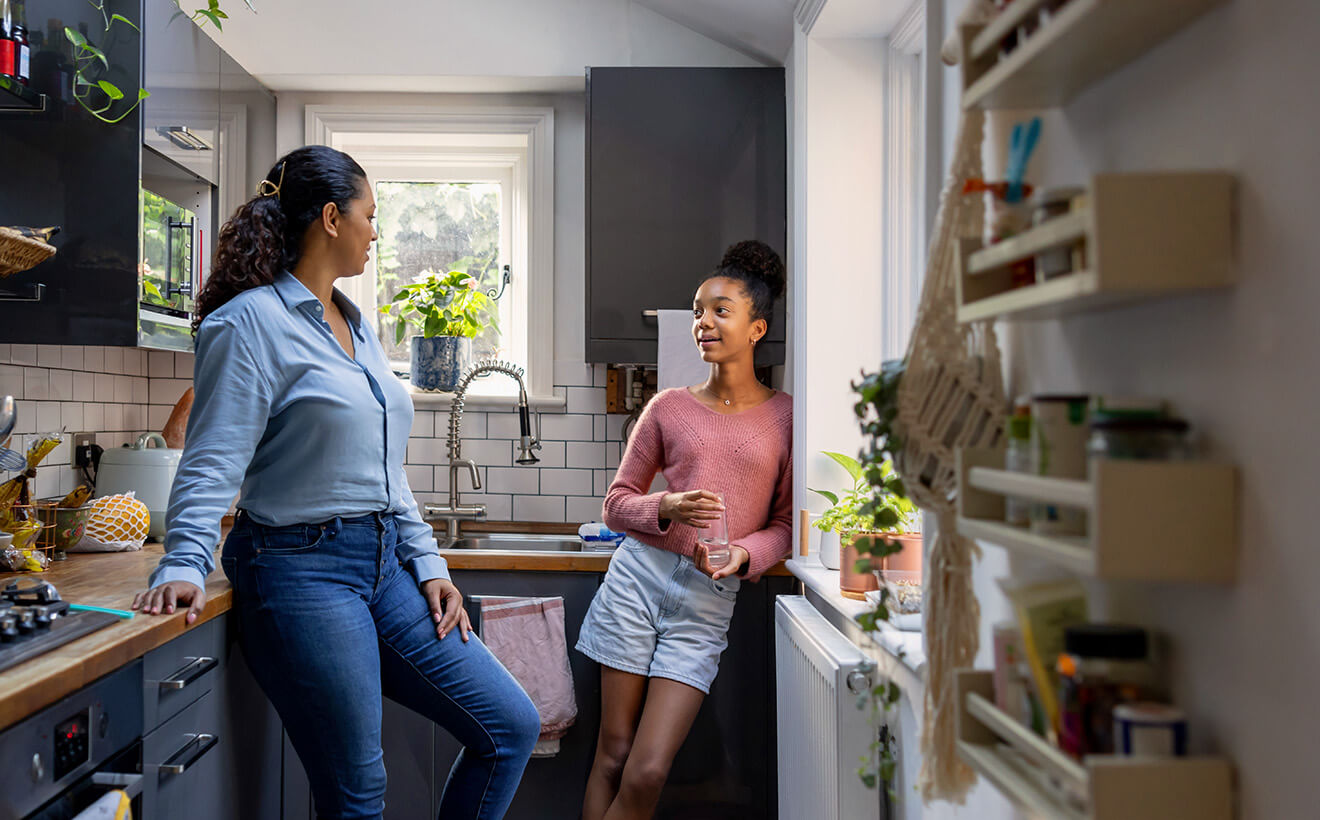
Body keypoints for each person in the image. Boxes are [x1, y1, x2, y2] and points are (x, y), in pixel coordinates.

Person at [131, 145, 540, 820]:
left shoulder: (356, 324)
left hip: (384, 568)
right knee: (358, 793)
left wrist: (428, 562)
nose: (376, 233)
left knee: (509, 726)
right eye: (369, 215)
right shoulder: (249, 323)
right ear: (330, 217)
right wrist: (183, 560)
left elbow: (387, 470)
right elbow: (211, 459)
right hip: (297, 569)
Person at [576, 241, 793, 819]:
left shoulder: (787, 416)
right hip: (637, 582)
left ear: (756, 328)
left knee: (648, 772)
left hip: (707, 601)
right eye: (698, 310)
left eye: (721, 310)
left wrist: (743, 556)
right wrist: (665, 505)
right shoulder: (667, 407)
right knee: (614, 755)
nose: (703, 322)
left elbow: (787, 525)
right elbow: (615, 505)